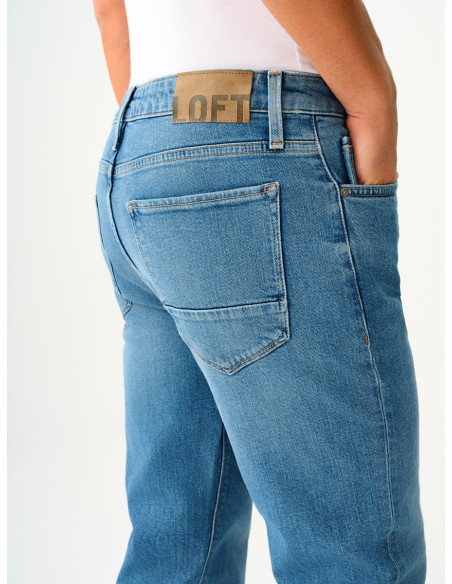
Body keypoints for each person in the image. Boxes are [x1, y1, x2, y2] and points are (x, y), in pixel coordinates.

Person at [92, 1, 427, 582]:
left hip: (136, 148)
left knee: (178, 547)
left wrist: (166, 133)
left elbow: (108, 11)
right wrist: (374, 102)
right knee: (350, 553)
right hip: (260, 143)